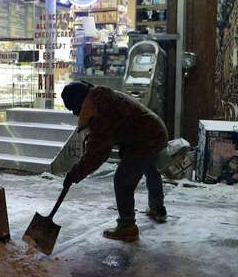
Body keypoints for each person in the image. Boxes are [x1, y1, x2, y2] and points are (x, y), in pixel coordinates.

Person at [61, 81, 168, 242]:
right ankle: (157, 209)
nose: (77, 115)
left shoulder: (100, 111)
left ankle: (127, 227)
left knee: (123, 180)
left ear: (81, 104)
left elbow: (97, 154)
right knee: (149, 167)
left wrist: (75, 174)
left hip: (144, 140)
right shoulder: (103, 97)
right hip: (155, 131)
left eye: (76, 111)